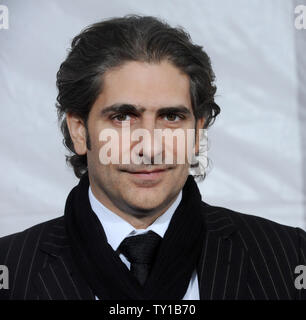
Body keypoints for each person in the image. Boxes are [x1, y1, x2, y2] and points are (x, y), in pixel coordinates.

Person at [0, 14, 305, 300]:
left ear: (197, 131)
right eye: (122, 116)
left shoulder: (291, 257)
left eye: (171, 117)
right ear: (79, 131)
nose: (150, 147)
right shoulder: (10, 268)